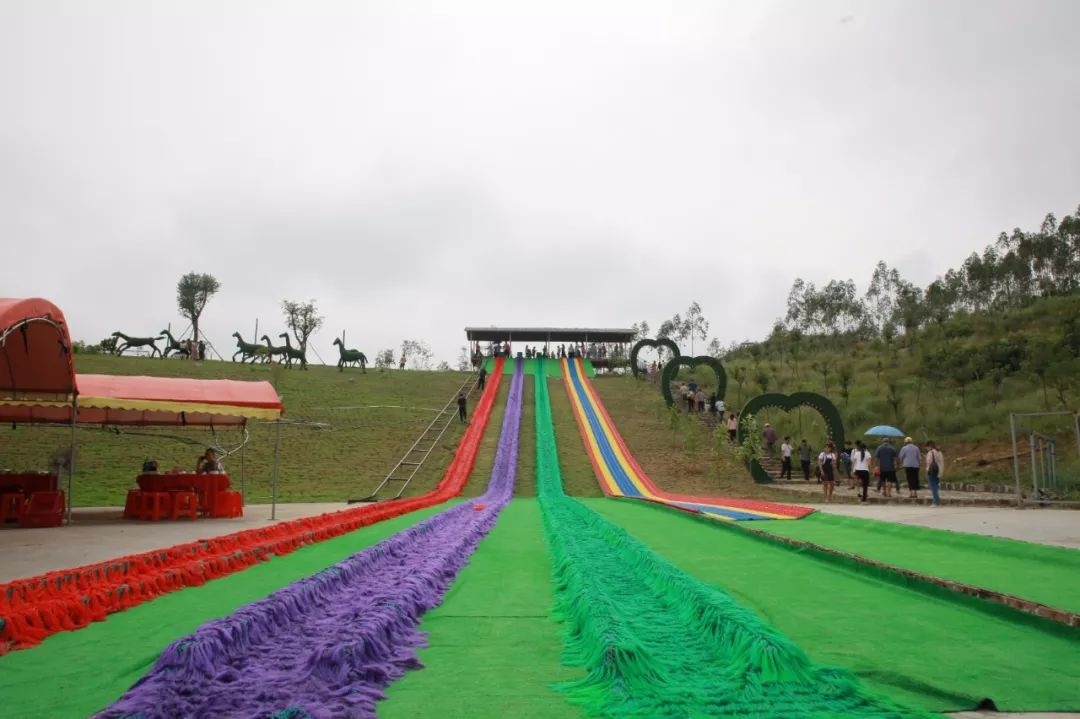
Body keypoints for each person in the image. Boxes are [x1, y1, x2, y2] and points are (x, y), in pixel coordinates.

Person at [925, 441, 945, 506]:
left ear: (929, 446)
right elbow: (941, 462)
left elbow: (929, 462)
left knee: (933, 486)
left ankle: (935, 502)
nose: (926, 449)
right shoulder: (939, 452)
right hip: (938, 470)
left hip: (932, 470)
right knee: (936, 486)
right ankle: (937, 501)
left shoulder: (930, 452)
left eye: (927, 447)